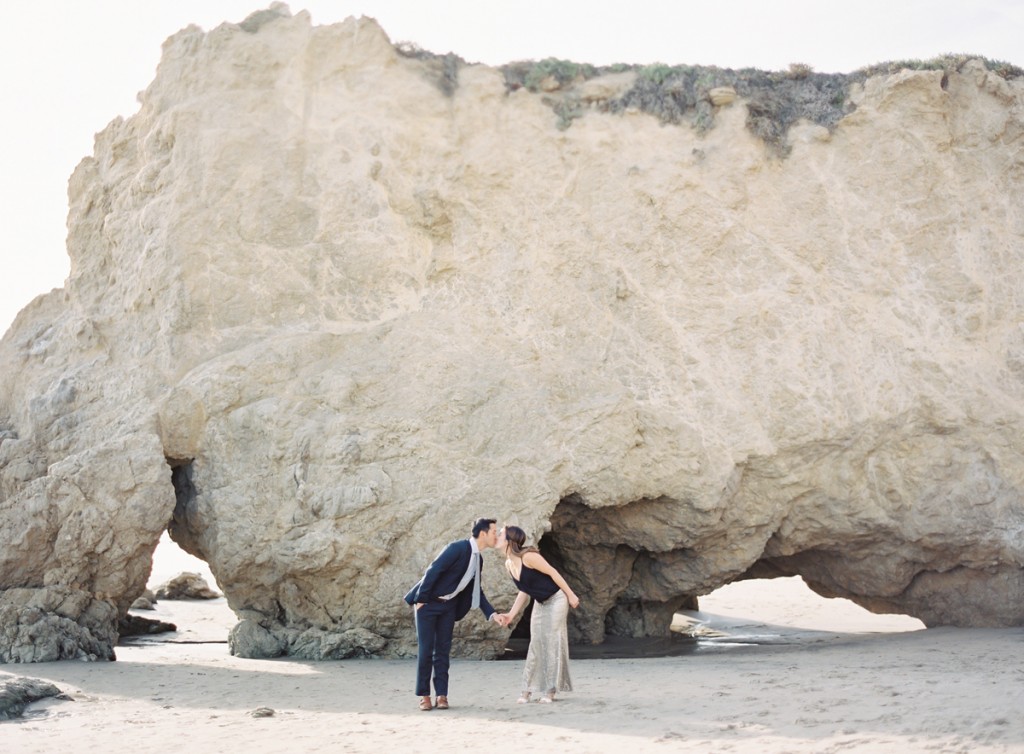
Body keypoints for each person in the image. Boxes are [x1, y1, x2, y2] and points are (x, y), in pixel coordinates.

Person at [404, 518, 510, 711]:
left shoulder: (479, 559)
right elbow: (433, 571)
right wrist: (422, 599)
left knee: (443, 652)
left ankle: (442, 695)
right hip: (428, 604)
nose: (497, 535)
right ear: (483, 533)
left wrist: (493, 614)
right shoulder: (457, 548)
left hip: (448, 608)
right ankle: (424, 696)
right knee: (426, 650)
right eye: (494, 531)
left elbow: (476, 590)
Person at [495, 524, 580, 704]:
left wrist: (571, 594)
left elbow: (553, 572)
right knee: (536, 644)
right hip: (540, 603)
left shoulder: (529, 557)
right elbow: (524, 590)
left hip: (556, 599)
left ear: (510, 540)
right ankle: (527, 690)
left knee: (551, 642)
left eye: (500, 534)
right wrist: (511, 614)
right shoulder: (509, 564)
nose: (497, 536)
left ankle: (550, 691)